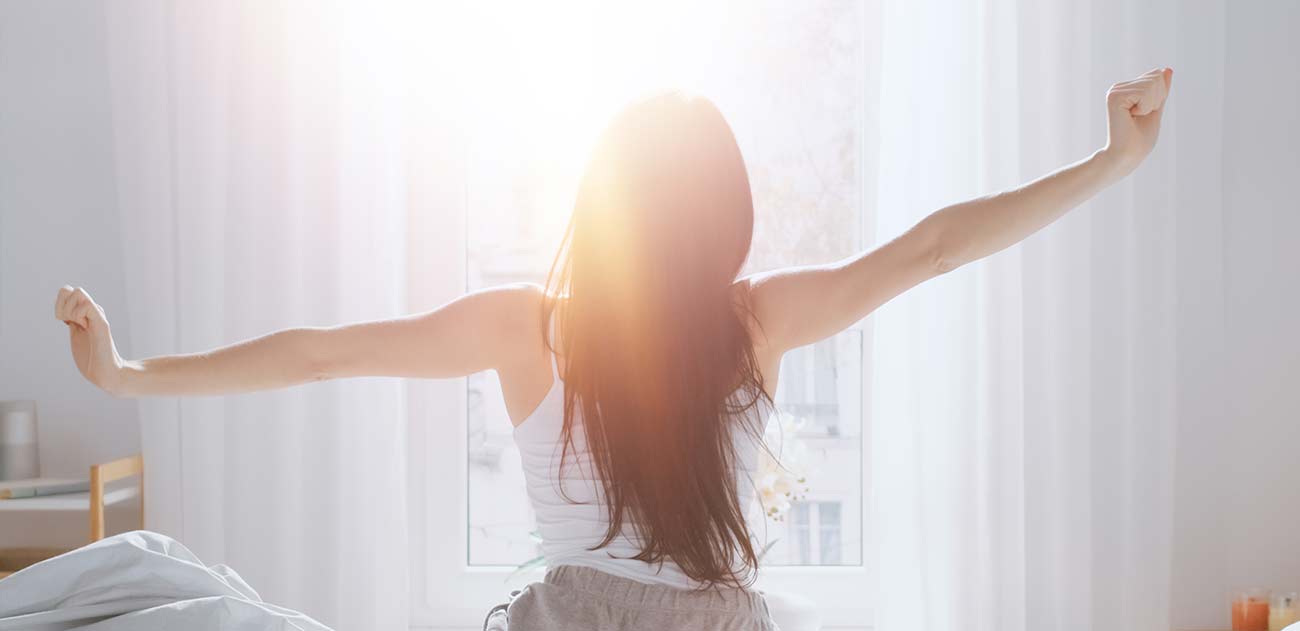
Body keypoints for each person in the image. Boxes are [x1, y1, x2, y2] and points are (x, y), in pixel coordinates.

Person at [53, 67, 1172, 631]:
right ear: (722, 212)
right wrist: (1111, 165)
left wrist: (129, 375)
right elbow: (931, 248)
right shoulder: (755, 322)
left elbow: (317, 354)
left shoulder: (529, 329)